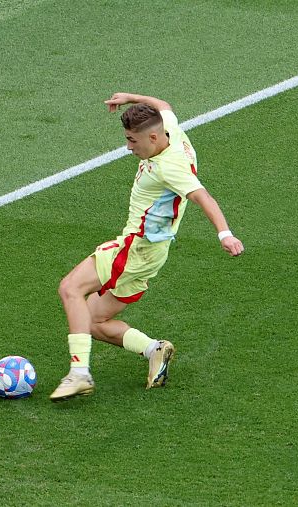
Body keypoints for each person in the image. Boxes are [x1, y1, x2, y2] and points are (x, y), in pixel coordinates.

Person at [49, 93, 245, 402]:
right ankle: (153, 349)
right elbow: (164, 106)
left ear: (152, 137)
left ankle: (79, 374)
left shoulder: (171, 167)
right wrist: (129, 98)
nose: (128, 147)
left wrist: (225, 235)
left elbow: (202, 197)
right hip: (153, 253)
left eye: (132, 140)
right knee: (92, 321)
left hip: (134, 248)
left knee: (70, 288)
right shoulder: (171, 131)